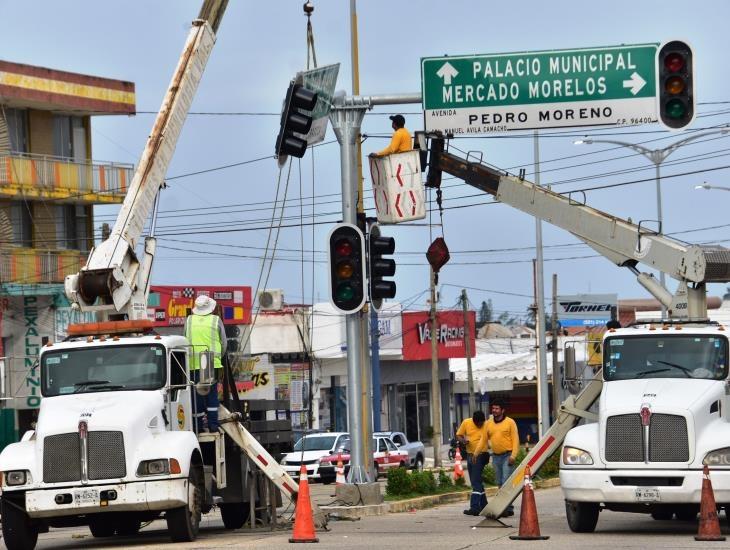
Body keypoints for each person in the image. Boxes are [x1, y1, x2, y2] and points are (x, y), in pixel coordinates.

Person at [185, 295, 227, 432]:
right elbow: (224, 343)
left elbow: (183, 339)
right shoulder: (216, 320)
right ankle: (213, 424)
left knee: (196, 396)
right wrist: (219, 357)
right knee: (210, 395)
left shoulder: (189, 320)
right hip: (209, 360)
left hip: (192, 363)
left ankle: (197, 426)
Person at [486, 397, 520, 517]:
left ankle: (508, 507)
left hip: (507, 456)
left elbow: (516, 440)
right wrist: (476, 452)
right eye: (493, 408)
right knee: (499, 482)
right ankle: (504, 506)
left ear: (503, 410)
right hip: (496, 457)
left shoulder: (510, 422)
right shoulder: (488, 423)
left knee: (506, 481)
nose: (494, 410)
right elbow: (484, 440)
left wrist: (513, 456)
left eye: (497, 408)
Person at [456, 409, 489, 516]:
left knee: (475, 482)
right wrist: (463, 441)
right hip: (470, 454)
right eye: (478, 423)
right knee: (477, 480)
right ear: (474, 421)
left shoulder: (486, 425)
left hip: (481, 455)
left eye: (481, 423)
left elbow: (485, 439)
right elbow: (459, 435)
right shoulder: (466, 422)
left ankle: (474, 507)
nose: (480, 425)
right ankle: (484, 505)